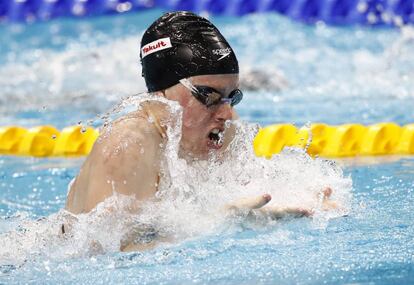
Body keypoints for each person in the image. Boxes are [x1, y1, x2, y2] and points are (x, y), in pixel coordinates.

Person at [64, 11, 336, 251]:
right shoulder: (128, 145)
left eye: (232, 97)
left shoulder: (222, 131)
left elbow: (242, 199)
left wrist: (292, 205)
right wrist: (217, 225)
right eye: (208, 96)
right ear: (162, 92)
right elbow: (105, 257)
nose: (226, 113)